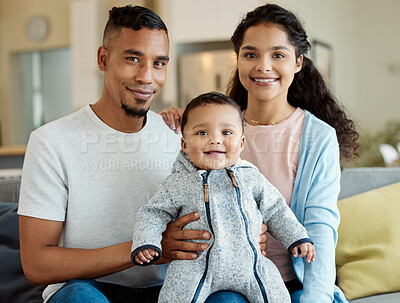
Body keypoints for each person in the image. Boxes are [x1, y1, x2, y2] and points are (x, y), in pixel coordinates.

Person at [17, 5, 267, 303]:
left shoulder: (182, 139)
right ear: (103, 59)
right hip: (89, 289)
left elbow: (222, 198)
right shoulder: (51, 142)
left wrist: (245, 228)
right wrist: (147, 247)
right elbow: (36, 264)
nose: (147, 77)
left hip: (172, 289)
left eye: (159, 63)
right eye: (133, 59)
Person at [160, 4, 359, 303]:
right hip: (223, 282)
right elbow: (179, 195)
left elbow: (320, 229)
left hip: (293, 284)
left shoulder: (317, 138)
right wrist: (173, 125)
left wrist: (315, 299)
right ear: (237, 59)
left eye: (278, 54)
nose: (263, 66)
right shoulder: (210, 131)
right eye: (250, 54)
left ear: (298, 62)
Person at [132, 92, 315, 303]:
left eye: (227, 132)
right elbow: (153, 213)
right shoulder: (178, 183)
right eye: (201, 133)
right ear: (184, 145)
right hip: (194, 265)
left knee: (276, 294)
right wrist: (147, 242)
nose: (215, 140)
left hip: (251, 265)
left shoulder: (251, 177)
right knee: (174, 295)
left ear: (242, 142)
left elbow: (276, 209)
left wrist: (297, 237)